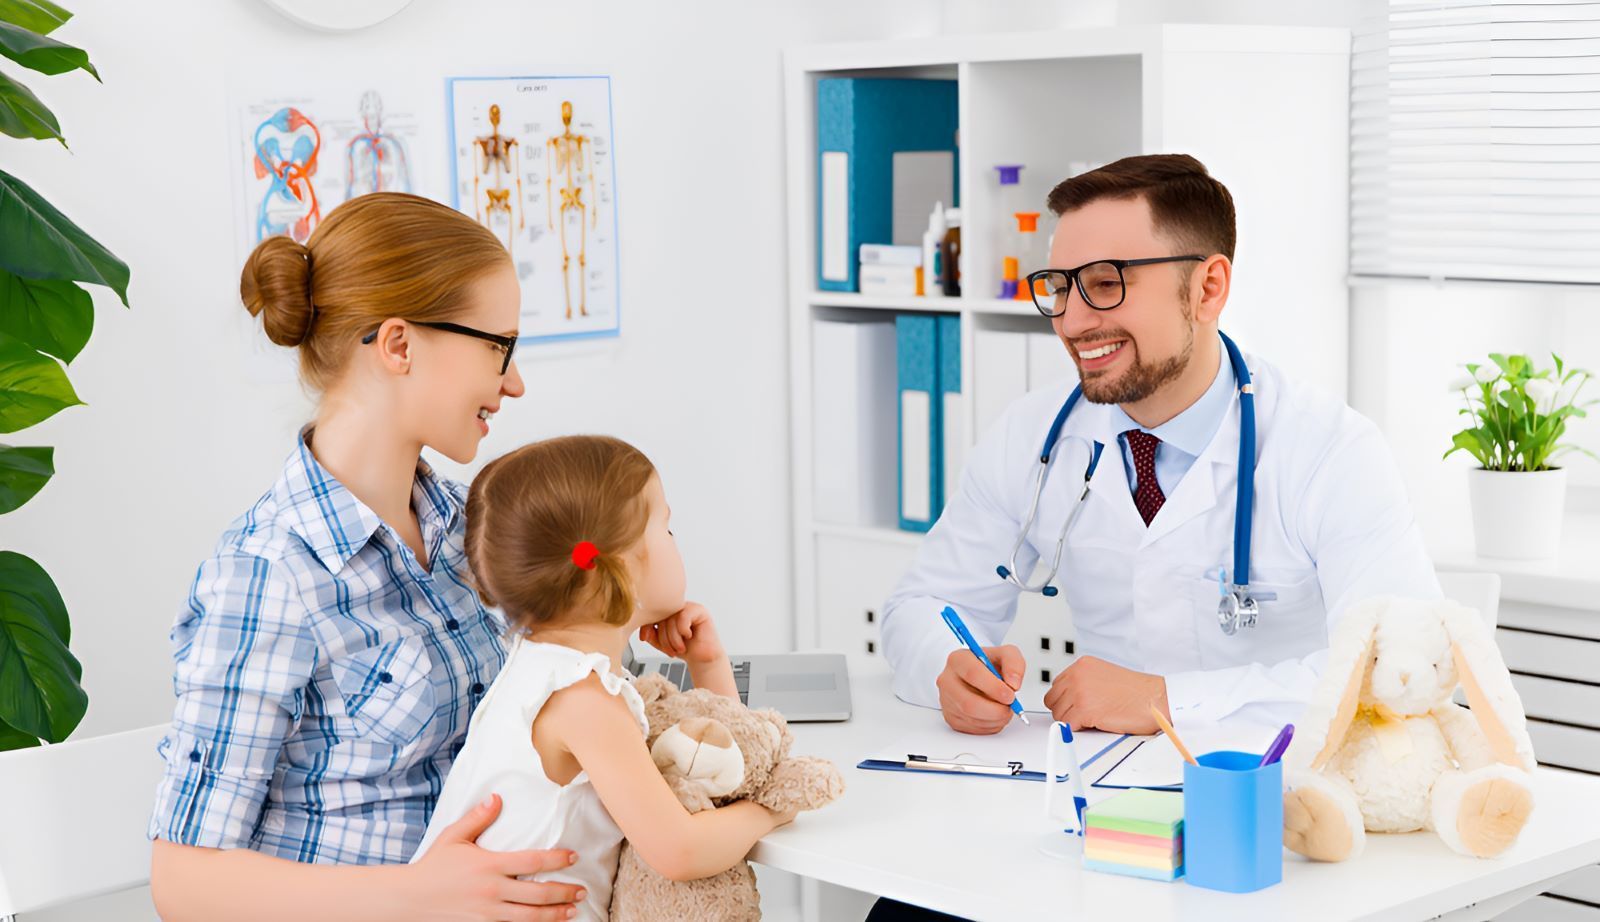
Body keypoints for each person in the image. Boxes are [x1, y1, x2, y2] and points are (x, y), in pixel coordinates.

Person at [879, 154, 1439, 741]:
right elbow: (922, 604)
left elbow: (1406, 668)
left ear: (1208, 288)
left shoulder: (1330, 450)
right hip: (1095, 779)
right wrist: (948, 667)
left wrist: (1168, 701)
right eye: (1060, 288)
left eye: (1105, 284)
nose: (1072, 322)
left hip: (1277, 780)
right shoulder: (1033, 436)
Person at [147, 193, 586, 921]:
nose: (513, 381)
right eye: (498, 347)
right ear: (399, 345)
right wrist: (417, 895)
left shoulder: (468, 524)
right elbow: (183, 882)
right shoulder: (269, 573)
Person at [414, 435, 796, 919]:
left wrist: (707, 664)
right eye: (666, 529)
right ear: (619, 567)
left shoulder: (541, 666)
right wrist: (773, 808)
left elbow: (722, 765)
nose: (676, 541)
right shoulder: (585, 701)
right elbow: (680, 851)